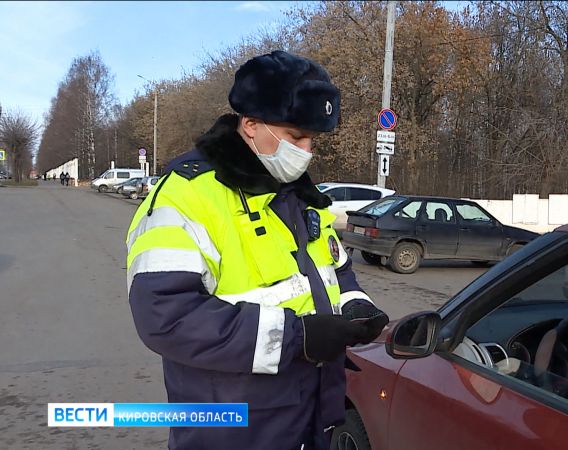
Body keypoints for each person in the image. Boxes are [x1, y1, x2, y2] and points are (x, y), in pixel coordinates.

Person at [125, 50, 389, 450]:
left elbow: (335, 272)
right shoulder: (186, 196)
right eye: (295, 137)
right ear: (250, 124)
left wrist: (356, 309)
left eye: (313, 139)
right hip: (231, 427)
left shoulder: (299, 196)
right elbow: (165, 316)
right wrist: (297, 338)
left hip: (311, 413)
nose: (306, 151)